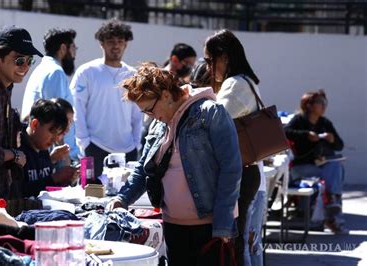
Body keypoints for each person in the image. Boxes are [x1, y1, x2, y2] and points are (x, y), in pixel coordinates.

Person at [108, 64, 242, 265]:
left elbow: (231, 169)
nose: (150, 117)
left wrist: (223, 223)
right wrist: (122, 199)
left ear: (165, 95)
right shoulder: (158, 123)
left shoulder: (211, 112)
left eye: (150, 110)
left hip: (210, 227)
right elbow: (144, 169)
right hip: (173, 226)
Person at [204, 29, 263, 266]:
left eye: (210, 60)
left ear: (225, 58)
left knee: (233, 246)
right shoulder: (245, 82)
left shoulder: (235, 84)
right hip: (245, 171)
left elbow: (215, 122)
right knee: (234, 243)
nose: (208, 67)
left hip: (239, 174)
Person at [0, 26, 43, 199]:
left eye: (30, 60)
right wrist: (15, 155)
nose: (25, 67)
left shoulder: (5, 87)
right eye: (19, 60)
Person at [70, 18, 142, 178]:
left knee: (125, 201)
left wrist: (136, 144)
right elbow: (77, 108)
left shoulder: (132, 75)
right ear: (101, 43)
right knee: (88, 198)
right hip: (93, 148)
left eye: (120, 41)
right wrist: (84, 142)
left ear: (126, 44)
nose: (115, 45)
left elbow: (138, 114)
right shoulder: (86, 72)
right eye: (110, 41)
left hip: (127, 151)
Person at [285, 89, 346, 234]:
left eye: (325, 103)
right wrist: (306, 135)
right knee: (335, 172)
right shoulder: (299, 120)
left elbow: (340, 145)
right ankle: (333, 210)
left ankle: (332, 202)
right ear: (309, 105)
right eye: (320, 103)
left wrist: (333, 140)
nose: (324, 106)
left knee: (336, 166)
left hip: (321, 165)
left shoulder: (325, 123)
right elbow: (286, 132)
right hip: (302, 166)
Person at [21, 28, 79, 162]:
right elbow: (57, 119)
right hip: (53, 157)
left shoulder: (42, 69)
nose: (74, 54)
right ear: (63, 48)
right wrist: (65, 161)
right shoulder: (55, 72)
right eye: (73, 48)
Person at [18, 99, 77, 198]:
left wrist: (65, 180)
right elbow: (19, 191)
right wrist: (54, 179)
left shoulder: (43, 147)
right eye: (52, 132)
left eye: (58, 134)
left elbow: (48, 190)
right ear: (35, 124)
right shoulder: (17, 147)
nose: (55, 139)